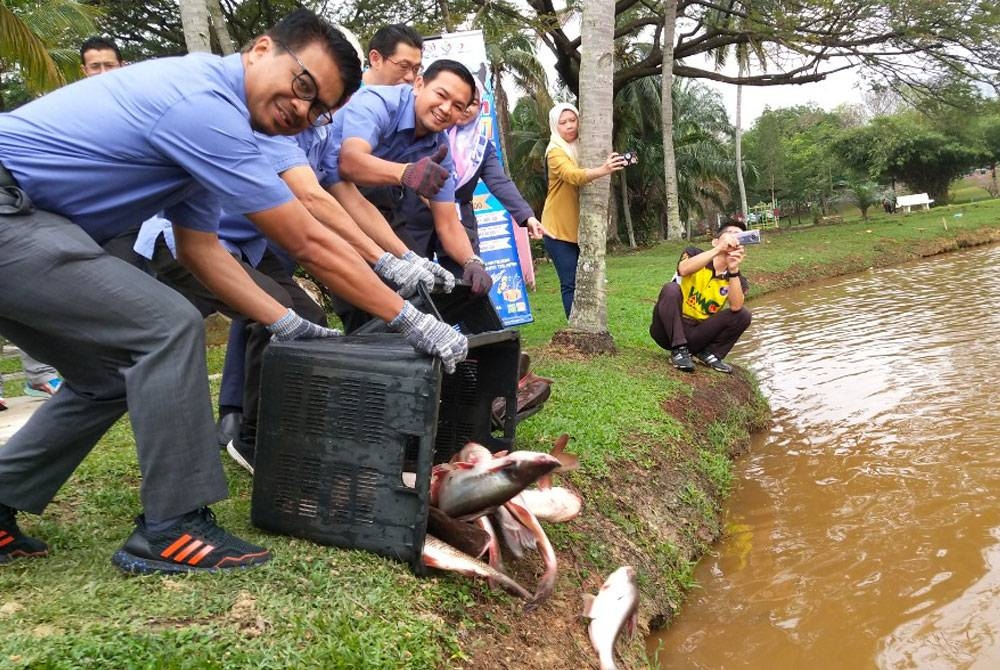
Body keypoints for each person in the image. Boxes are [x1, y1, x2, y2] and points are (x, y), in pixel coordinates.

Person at [0, 9, 464, 573]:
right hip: (12, 213)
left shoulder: (212, 129)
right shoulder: (204, 107)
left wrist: (285, 321)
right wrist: (412, 320)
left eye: (319, 110)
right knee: (167, 326)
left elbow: (202, 249)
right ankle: (172, 528)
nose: (302, 111)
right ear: (260, 50)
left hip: (31, 219)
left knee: (104, 378)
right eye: (302, 87)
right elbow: (307, 239)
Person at [325, 59, 494, 331]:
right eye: (441, 95)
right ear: (419, 84)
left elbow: (448, 221)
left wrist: (472, 262)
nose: (445, 109)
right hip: (318, 194)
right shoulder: (378, 102)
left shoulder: (440, 149)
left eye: (458, 106)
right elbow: (350, 162)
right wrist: (406, 173)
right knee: (356, 298)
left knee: (420, 282)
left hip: (375, 206)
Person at [404, 79, 545, 276]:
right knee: (413, 282)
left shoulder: (483, 147)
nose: (468, 109)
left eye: (474, 103)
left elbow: (500, 183)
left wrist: (527, 216)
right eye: (464, 102)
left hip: (460, 221)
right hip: (416, 217)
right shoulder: (425, 135)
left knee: (469, 282)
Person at [540, 102, 628, 318]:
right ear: (555, 126)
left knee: (590, 279)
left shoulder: (586, 146)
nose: (569, 126)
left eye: (573, 120)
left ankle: (591, 321)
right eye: (563, 122)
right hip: (558, 230)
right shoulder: (554, 152)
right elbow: (572, 175)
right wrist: (603, 169)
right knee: (570, 282)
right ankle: (576, 326)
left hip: (583, 228)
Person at [649, 222, 752, 374]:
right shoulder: (693, 253)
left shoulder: (737, 278)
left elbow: (736, 306)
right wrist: (718, 250)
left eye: (739, 237)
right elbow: (683, 270)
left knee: (743, 315)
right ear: (715, 241)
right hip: (667, 328)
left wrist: (733, 269)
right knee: (671, 289)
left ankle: (709, 354)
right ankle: (678, 350)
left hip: (696, 333)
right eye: (730, 234)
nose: (734, 239)